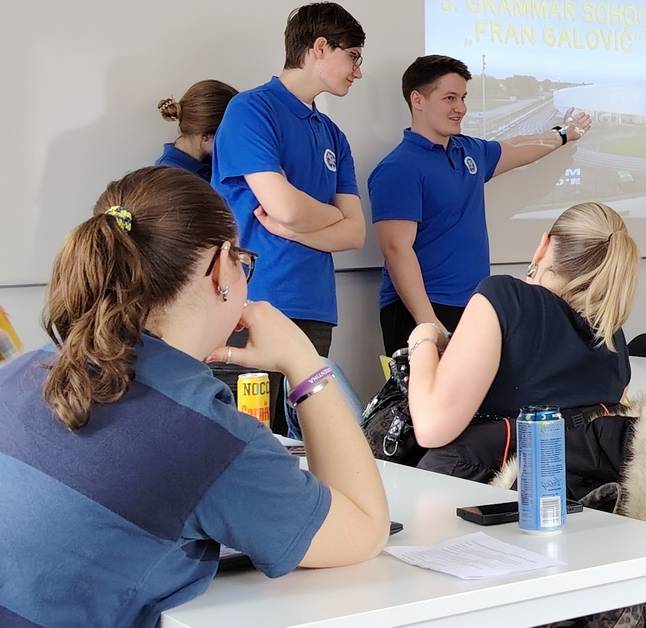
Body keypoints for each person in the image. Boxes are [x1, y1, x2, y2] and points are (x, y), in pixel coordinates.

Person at [0, 167, 388, 628]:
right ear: (223, 266)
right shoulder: (207, 436)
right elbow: (364, 528)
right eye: (244, 260)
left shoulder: (22, 370)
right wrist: (304, 363)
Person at [369, 54, 592, 355]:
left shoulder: (469, 151)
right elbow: (397, 250)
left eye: (462, 98)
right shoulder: (399, 168)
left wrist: (564, 134)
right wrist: (429, 323)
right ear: (417, 100)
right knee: (422, 390)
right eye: (449, 98)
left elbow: (518, 148)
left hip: (472, 306)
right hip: (420, 311)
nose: (460, 108)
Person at [406, 201, 634, 465]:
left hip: (472, 486)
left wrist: (422, 338)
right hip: (561, 488)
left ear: (544, 245)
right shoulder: (613, 336)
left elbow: (431, 427)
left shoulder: (505, 298)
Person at [210, 2, 366, 357]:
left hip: (314, 308)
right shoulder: (251, 110)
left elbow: (355, 234)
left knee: (312, 398)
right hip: (252, 304)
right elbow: (286, 208)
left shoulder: (333, 135)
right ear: (320, 47)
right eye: (353, 56)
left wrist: (292, 231)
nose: (357, 71)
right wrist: (333, 215)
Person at [154, 79, 237, 181]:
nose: (235, 142)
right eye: (232, 136)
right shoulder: (170, 178)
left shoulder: (209, 159)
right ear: (205, 137)